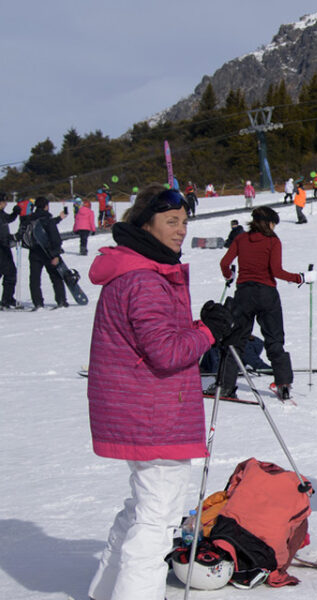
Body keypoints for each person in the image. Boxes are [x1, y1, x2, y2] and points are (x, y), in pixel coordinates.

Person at [86, 184, 232, 600]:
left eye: (185, 222)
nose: (181, 230)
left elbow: (158, 339)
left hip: (142, 407)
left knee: (141, 508)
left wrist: (198, 326)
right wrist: (208, 332)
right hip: (153, 413)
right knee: (157, 518)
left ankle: (104, 591)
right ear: (146, 223)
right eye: (171, 221)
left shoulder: (138, 269)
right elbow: (167, 353)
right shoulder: (144, 279)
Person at [214, 206, 315, 400]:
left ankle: (226, 386)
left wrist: (230, 275)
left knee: (236, 340)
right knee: (274, 340)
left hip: (244, 294)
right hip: (267, 294)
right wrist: (301, 278)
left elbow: (224, 263)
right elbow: (276, 271)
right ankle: (283, 384)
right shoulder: (273, 241)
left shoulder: (241, 239)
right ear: (268, 223)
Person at [24, 196, 68, 309]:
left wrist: (59, 218)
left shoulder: (30, 219)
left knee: (34, 279)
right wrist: (56, 254)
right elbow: (55, 238)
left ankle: (38, 303)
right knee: (56, 277)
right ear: (46, 206)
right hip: (49, 253)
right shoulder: (47, 219)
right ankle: (61, 301)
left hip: (34, 252)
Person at [0, 193, 21, 309]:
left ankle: (8, 298)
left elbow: (6, 219)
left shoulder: (1, 213)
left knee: (8, 273)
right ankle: (7, 299)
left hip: (4, 246)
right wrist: (10, 238)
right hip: (2, 248)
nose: (6, 204)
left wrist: (15, 213)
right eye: (3, 202)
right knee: (10, 273)